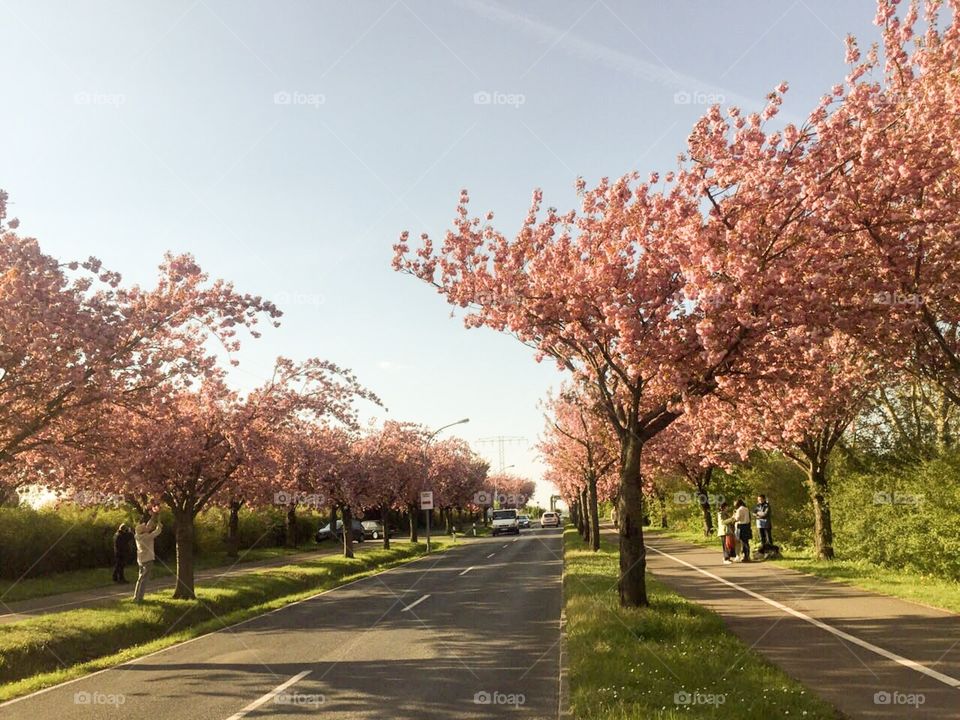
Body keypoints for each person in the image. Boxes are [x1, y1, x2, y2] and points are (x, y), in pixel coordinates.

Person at [134, 509, 163, 603]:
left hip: (141, 560)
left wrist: (153, 516)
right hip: (148, 559)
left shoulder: (138, 536)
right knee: (144, 580)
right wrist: (159, 523)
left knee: (140, 579)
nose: (146, 526)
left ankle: (136, 597)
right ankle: (140, 598)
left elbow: (148, 526)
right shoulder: (147, 537)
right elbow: (157, 532)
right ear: (143, 531)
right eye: (144, 527)